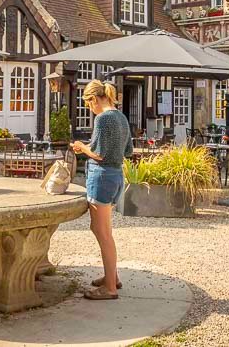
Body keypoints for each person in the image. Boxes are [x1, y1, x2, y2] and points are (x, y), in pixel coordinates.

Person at [71, 80, 132, 300]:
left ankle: (110, 288)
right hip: (116, 175)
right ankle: (111, 277)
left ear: (94, 99)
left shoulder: (103, 118)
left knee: (102, 233)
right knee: (104, 231)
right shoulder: (121, 117)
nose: (90, 109)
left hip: (102, 175)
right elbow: (128, 150)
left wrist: (81, 147)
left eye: (89, 104)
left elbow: (99, 154)